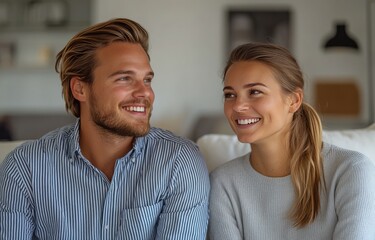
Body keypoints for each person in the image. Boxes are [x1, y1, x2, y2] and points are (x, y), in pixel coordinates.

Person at [0, 18, 210, 239]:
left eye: (147, 80)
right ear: (80, 88)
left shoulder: (178, 161)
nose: (145, 93)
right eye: (125, 78)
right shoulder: (25, 169)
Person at [208, 42, 375, 240]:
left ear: (294, 100)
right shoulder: (222, 183)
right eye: (230, 95)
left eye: (254, 92)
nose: (238, 106)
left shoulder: (350, 170)